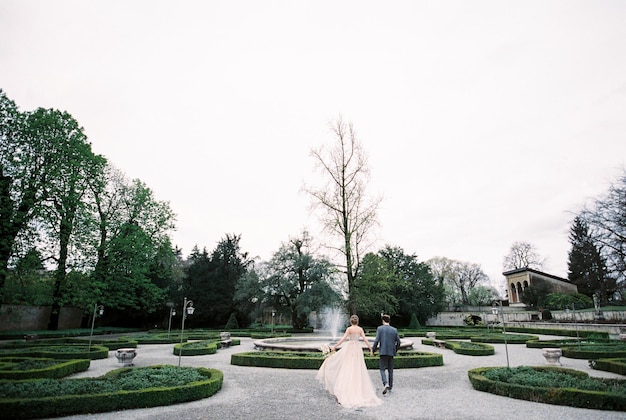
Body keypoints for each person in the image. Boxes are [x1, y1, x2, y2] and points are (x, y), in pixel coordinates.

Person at [316, 314, 383, 408]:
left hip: (350, 347)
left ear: (351, 321)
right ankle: (357, 388)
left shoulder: (349, 329)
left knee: (348, 367)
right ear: (357, 321)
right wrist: (370, 349)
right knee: (357, 367)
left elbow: (343, 339)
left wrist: (335, 346)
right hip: (357, 349)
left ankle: (346, 388)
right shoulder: (360, 329)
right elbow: (365, 339)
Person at [372, 314, 401, 395]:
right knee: (390, 370)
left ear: (383, 320)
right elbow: (398, 342)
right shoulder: (394, 330)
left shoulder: (380, 329)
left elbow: (376, 341)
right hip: (391, 352)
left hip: (383, 352)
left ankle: (385, 383)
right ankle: (390, 386)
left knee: (382, 369)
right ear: (389, 320)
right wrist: (395, 349)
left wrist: (373, 350)